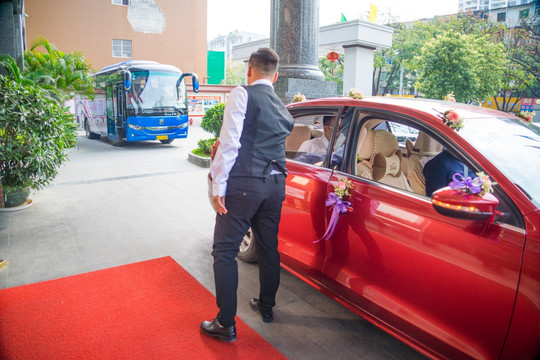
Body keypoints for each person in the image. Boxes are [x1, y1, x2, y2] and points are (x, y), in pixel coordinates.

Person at [200, 47, 294, 343]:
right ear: (275, 76)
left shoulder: (242, 93)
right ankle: (266, 306)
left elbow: (230, 144)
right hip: (276, 185)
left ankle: (225, 323)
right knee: (268, 248)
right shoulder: (282, 106)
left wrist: (218, 187)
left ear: (249, 71)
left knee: (225, 251)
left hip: (245, 184)